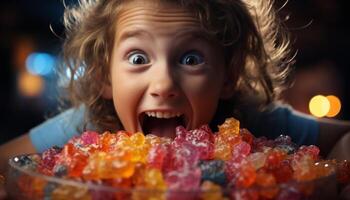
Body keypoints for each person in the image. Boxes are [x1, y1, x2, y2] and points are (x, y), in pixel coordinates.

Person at [1, 0, 350, 176]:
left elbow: (341, 138)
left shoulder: (256, 125)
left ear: (227, 77)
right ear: (103, 78)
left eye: (190, 59)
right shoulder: (86, 127)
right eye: (138, 59)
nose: (164, 84)